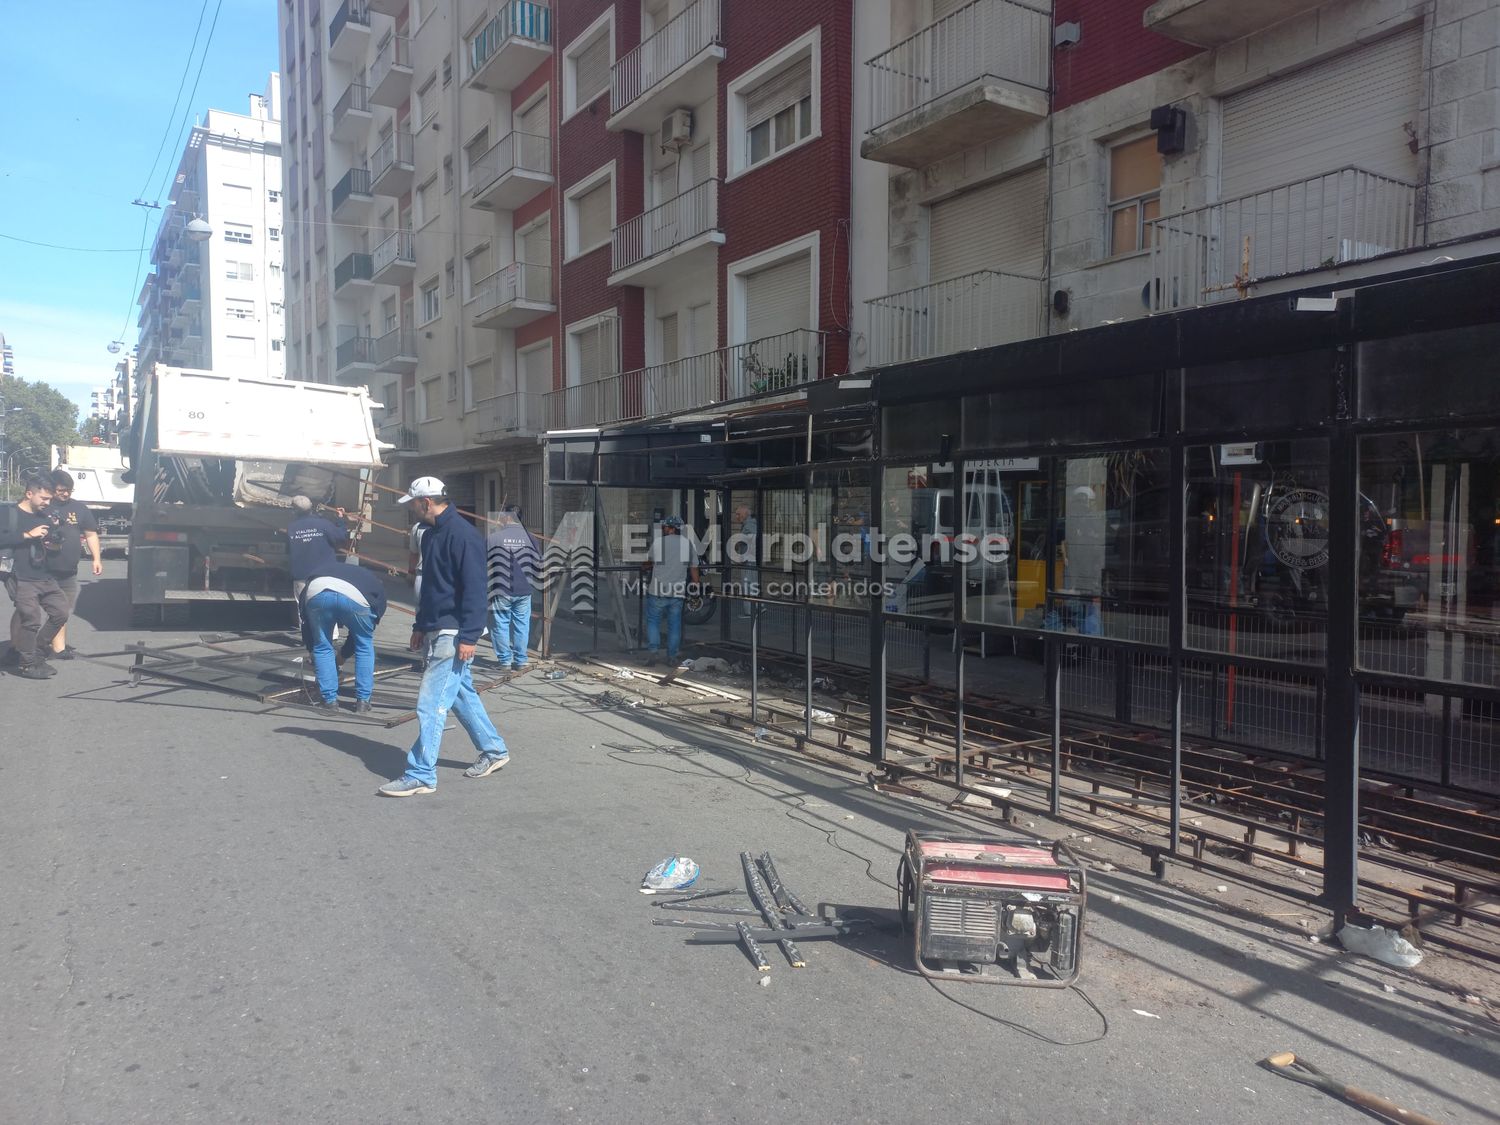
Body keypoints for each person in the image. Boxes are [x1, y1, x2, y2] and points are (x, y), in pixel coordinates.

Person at [379, 476, 511, 797]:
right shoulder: (430, 534)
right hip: (437, 626)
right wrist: (419, 625)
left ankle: (422, 772)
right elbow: (433, 588)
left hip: (453, 632)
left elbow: (476, 590)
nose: (410, 509)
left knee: (431, 701)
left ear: (426, 502)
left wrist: (468, 636)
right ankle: (494, 750)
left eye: (412, 503)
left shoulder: (463, 536)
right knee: (461, 693)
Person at [0, 472, 69, 679]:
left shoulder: (45, 516)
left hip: (44, 576)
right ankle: (28, 664)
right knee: (30, 619)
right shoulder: (8, 513)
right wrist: (27, 535)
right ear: (29, 494)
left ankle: (36, 651)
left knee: (60, 613)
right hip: (20, 576)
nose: (47, 503)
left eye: (50, 499)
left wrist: (55, 543)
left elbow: (54, 546)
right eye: (44, 498)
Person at [299, 559, 388, 713]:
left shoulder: (325, 569)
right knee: (364, 645)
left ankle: (329, 701)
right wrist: (344, 655)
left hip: (317, 590)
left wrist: (311, 649)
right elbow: (360, 636)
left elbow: (305, 620)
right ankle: (363, 701)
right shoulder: (374, 586)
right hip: (357, 597)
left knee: (322, 646)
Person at [44, 469, 102, 660]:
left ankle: (58, 648)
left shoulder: (79, 508)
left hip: (68, 571)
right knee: (28, 611)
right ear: (51, 488)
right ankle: (22, 646)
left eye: (69, 490)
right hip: (42, 570)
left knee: (62, 611)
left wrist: (96, 559)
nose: (66, 494)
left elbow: (91, 534)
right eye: (61, 490)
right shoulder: (42, 505)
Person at [486, 505, 541, 670]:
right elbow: (538, 564)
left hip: (500, 588)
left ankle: (504, 660)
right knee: (522, 625)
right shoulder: (530, 538)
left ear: (507, 517)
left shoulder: (494, 538)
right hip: (524, 589)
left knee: (500, 624)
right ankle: (521, 660)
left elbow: (480, 560)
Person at [641, 515, 699, 668]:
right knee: (674, 625)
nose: (664, 529)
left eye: (665, 527)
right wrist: (696, 585)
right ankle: (672, 656)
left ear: (670, 528)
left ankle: (653, 651)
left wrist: (645, 566)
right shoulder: (688, 544)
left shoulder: (659, 543)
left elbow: (649, 562)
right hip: (677, 592)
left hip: (658, 591)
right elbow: (694, 567)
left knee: (653, 622)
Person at [286, 494, 349, 597]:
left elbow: (289, 550)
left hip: (301, 577)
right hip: (323, 576)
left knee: (303, 610)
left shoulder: (291, 528)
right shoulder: (324, 524)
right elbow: (341, 537)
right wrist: (340, 519)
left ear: (294, 511)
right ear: (311, 507)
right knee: (324, 608)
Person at [732, 503, 758, 617]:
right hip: (750, 559)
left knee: (748, 585)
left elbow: (751, 541)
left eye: (738, 514)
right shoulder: (748, 524)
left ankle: (751, 611)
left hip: (749, 560)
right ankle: (757, 607)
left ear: (745, 514)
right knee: (751, 584)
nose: (736, 517)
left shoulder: (749, 525)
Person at [407, 519, 428, 600]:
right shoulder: (450, 527)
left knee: (421, 608)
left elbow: (414, 554)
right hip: (442, 576)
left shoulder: (417, 527)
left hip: (421, 575)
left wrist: (411, 573)